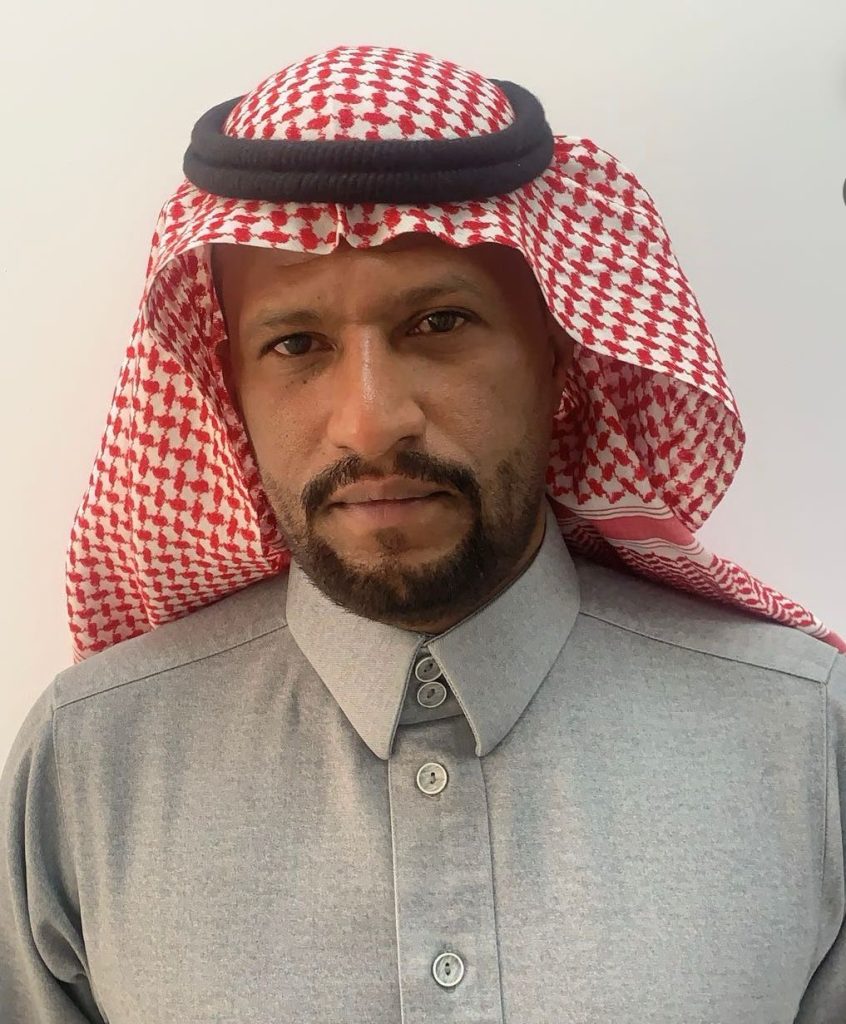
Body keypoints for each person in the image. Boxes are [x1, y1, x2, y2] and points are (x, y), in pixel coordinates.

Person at [1, 43, 844, 1024]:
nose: (371, 424)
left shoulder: (803, 747)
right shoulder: (89, 770)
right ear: (232, 391)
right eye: (296, 344)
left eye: (439, 323)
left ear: (559, 358)